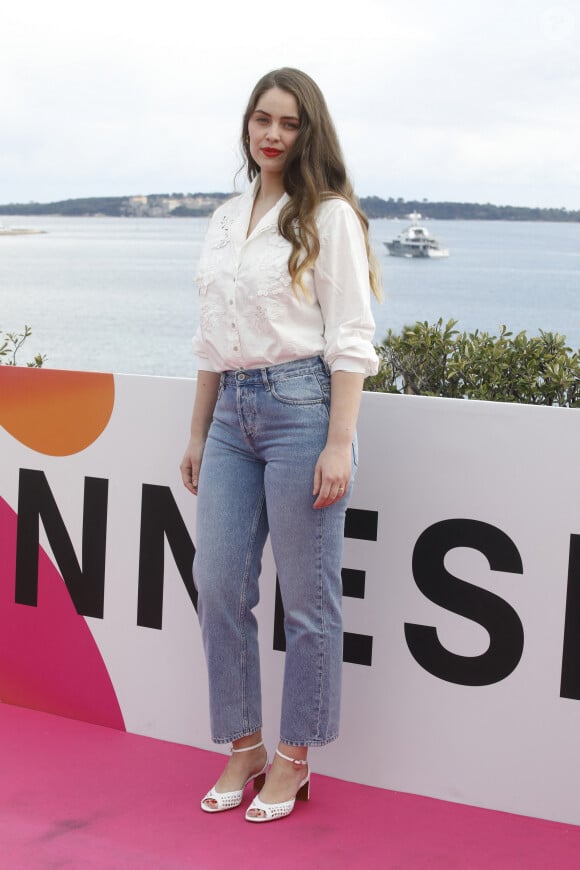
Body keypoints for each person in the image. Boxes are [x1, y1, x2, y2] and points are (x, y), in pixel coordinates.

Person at [180, 67, 381, 823]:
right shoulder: (227, 218)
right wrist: (198, 432)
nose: (271, 133)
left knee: (309, 600)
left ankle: (296, 757)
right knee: (222, 586)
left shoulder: (328, 216)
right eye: (261, 119)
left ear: (309, 132)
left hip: (303, 411)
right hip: (231, 415)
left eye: (288, 123)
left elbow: (352, 340)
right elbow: (208, 340)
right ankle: (246, 745)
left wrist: (339, 443)